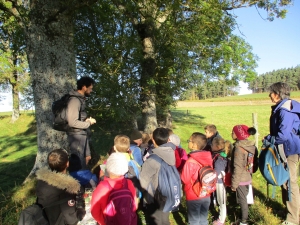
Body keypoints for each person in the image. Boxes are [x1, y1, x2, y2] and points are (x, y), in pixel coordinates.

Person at [265, 82, 300, 225]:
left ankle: (293, 219)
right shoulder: (286, 107)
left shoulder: (285, 110)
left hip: (289, 150)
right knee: (285, 182)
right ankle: (290, 212)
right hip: (287, 148)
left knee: (290, 183)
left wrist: (268, 139)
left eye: (271, 93)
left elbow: (283, 135)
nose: (269, 95)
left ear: (277, 94)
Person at [36, 149, 85, 225]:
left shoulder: (41, 182)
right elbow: (71, 218)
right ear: (67, 163)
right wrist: (81, 212)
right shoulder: (69, 187)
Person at [139, 127, 178, 225]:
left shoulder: (152, 160)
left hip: (155, 197)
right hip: (167, 193)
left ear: (153, 140)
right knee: (164, 219)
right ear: (168, 139)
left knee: (155, 221)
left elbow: (142, 183)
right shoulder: (170, 153)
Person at [90, 152, 138, 225]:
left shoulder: (102, 187)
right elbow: (134, 205)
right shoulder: (129, 183)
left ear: (108, 168)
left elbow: (95, 211)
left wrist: (103, 222)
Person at [180, 132, 212, 225]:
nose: (188, 142)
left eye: (189, 141)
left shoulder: (190, 161)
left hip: (193, 194)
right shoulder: (208, 157)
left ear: (194, 145)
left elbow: (185, 179)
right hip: (206, 192)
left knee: (194, 221)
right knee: (203, 218)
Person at [66, 76, 97, 169]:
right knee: (78, 164)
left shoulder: (80, 99)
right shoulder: (75, 100)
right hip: (76, 137)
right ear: (84, 87)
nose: (91, 90)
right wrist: (88, 123)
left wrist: (86, 120)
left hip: (82, 134)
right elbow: (72, 122)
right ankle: (78, 182)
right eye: (90, 88)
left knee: (86, 159)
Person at [230, 125, 257, 225]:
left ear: (238, 135)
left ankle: (244, 221)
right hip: (248, 176)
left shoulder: (238, 149)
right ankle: (242, 218)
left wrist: (234, 184)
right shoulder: (251, 146)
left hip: (240, 179)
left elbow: (237, 167)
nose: (231, 133)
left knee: (242, 201)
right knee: (244, 198)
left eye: (233, 132)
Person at [211, 137, 232, 225]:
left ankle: (221, 220)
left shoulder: (219, 159)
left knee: (221, 201)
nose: (211, 146)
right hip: (219, 181)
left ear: (218, 146)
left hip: (220, 182)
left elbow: (217, 172)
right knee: (220, 199)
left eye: (212, 144)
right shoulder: (221, 155)